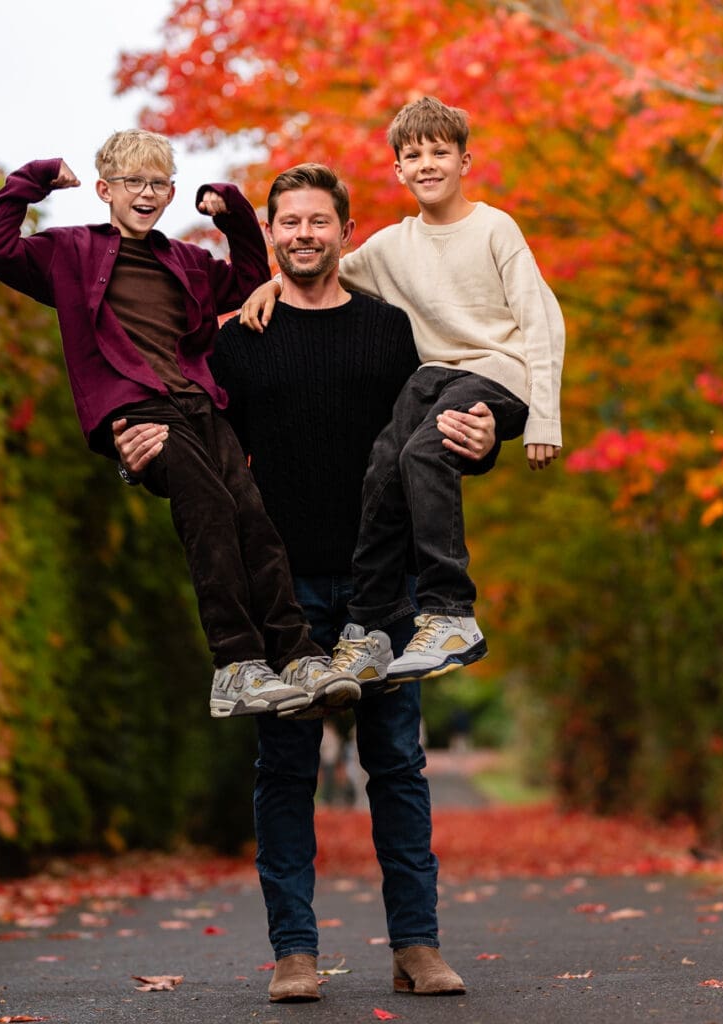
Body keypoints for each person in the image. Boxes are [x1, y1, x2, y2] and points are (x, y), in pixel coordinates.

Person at [114, 163, 497, 1002]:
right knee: (284, 772)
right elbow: (202, 448)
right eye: (287, 221)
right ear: (273, 234)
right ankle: (294, 953)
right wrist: (140, 460)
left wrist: (485, 439)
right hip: (278, 593)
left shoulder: (393, 332)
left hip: (380, 592)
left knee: (395, 767)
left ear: (344, 232)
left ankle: (417, 947)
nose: (302, 234)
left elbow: (437, 427)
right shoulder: (236, 341)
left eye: (318, 221)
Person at [0, 129, 359, 720]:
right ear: (105, 189)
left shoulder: (186, 262)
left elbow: (253, 275)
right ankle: (235, 665)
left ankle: (296, 653)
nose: (145, 193)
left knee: (251, 513)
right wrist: (35, 177)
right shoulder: (69, 253)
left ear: (171, 192)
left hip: (200, 406)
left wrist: (230, 209)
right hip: (138, 412)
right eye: (132, 182)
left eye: (157, 183)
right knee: (207, 509)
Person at [241, 96, 565, 686]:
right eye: (413, 155)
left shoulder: (495, 227)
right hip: (434, 379)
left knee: (420, 453)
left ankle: (449, 613)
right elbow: (322, 265)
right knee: (383, 466)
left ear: (466, 160)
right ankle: (368, 629)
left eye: (441, 152)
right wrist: (266, 286)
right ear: (397, 170)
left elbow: (542, 319)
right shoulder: (394, 245)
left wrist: (544, 419)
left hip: (501, 374)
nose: (427, 164)